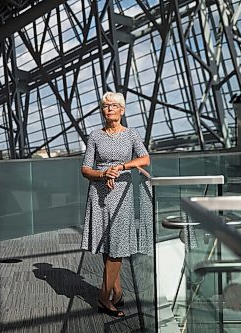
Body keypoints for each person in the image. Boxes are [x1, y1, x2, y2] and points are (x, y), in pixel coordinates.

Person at [80, 91, 150, 317]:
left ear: (122, 110)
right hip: (99, 193)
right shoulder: (94, 136)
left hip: (122, 193)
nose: (108, 109)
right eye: (105, 106)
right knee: (107, 243)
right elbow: (85, 169)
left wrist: (120, 167)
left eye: (113, 105)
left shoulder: (131, 134)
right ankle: (117, 291)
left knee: (117, 246)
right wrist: (102, 174)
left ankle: (103, 297)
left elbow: (145, 158)